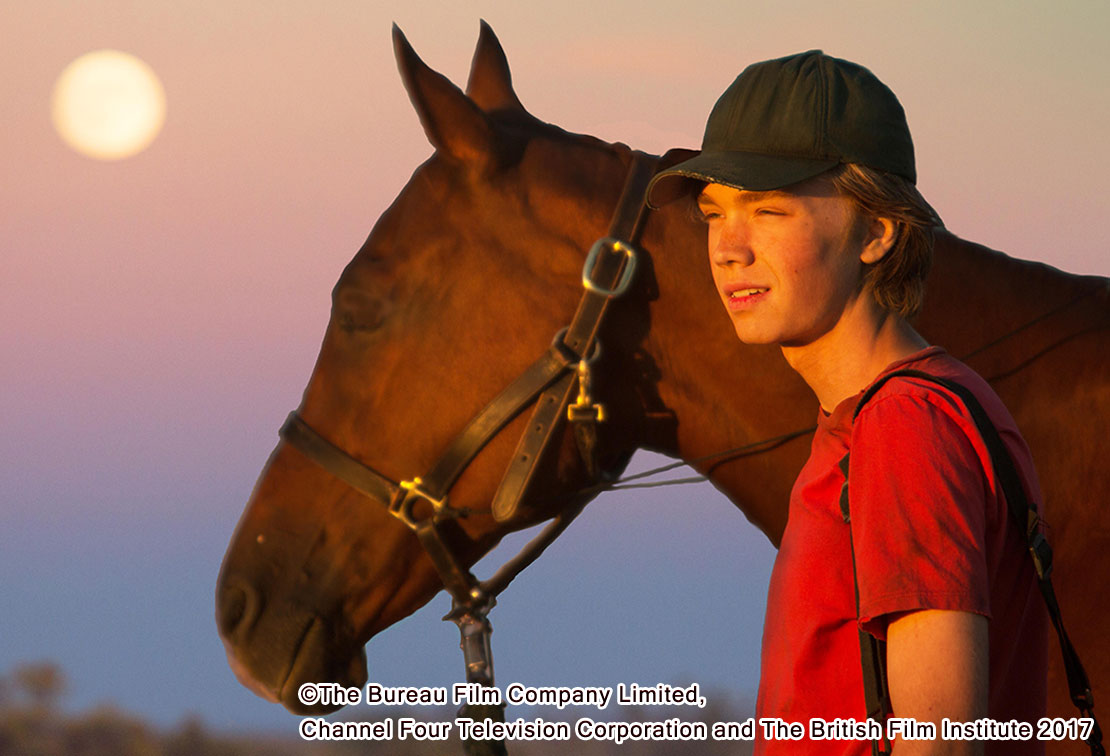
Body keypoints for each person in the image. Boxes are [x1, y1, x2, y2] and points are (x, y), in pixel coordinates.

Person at [646, 51, 1047, 755]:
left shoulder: (906, 426)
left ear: (877, 232)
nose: (728, 249)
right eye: (714, 213)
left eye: (768, 209)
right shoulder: (905, 411)